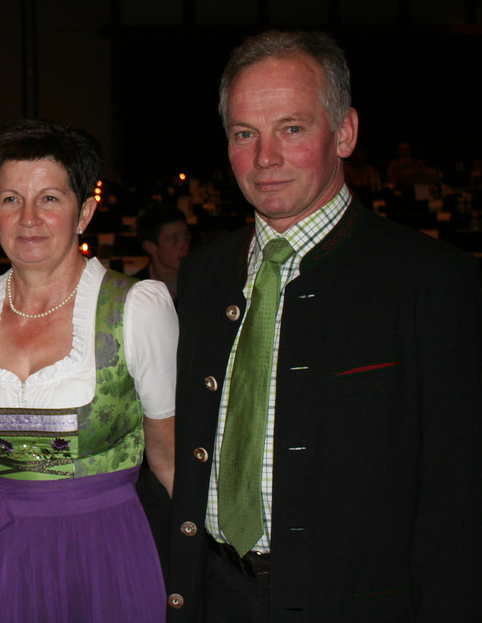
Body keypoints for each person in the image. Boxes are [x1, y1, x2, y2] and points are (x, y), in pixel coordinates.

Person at [166, 30, 482, 621]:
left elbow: (459, 504)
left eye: (291, 128)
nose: (265, 157)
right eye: (244, 133)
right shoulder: (204, 273)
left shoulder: (433, 281)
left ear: (345, 132)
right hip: (215, 597)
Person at [0, 119, 177, 622]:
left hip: (103, 553)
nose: (28, 218)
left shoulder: (136, 310)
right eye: (11, 199)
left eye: (49, 198)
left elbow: (169, 459)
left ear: (84, 212)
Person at [136, 203, 191, 302]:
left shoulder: (199, 283)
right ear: (150, 247)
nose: (185, 246)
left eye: (186, 237)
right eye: (174, 239)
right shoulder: (137, 291)